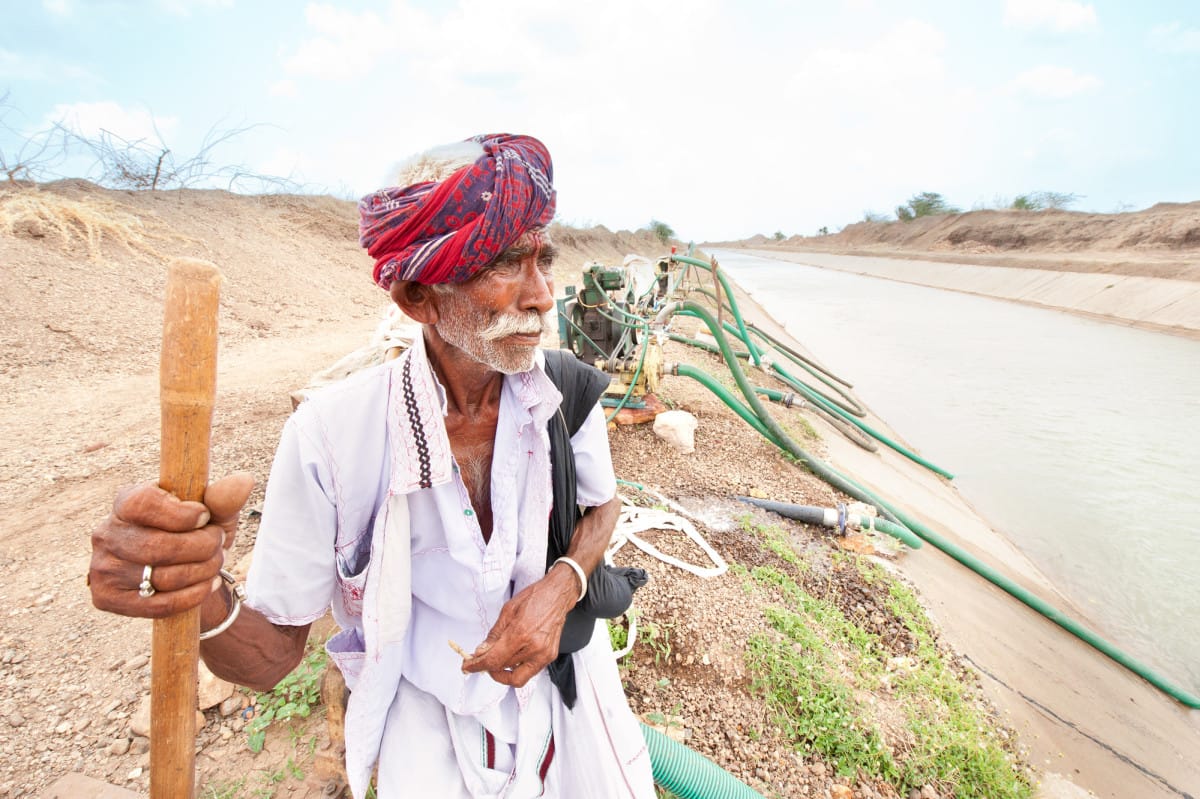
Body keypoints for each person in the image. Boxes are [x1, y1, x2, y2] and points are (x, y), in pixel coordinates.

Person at [88, 133, 656, 799]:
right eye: (505, 264)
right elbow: (270, 656)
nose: (541, 296)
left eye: (543, 260)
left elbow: (604, 507)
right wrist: (195, 589)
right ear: (419, 299)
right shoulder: (332, 439)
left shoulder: (567, 394)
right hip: (429, 718)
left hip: (570, 692)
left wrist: (560, 588)